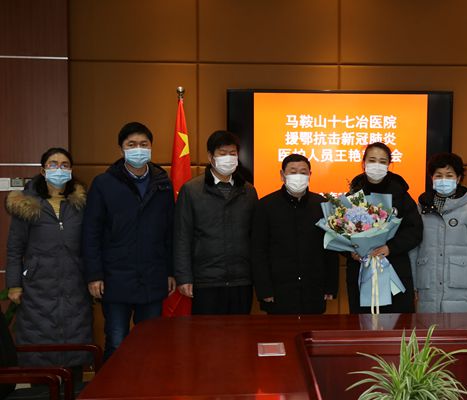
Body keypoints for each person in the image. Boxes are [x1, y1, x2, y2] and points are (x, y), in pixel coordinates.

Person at [82, 122, 175, 360]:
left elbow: (170, 232)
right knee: (116, 342)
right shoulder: (104, 183)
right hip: (115, 278)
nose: (138, 149)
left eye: (144, 144)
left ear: (151, 147)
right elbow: (91, 233)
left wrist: (170, 271)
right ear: (122, 148)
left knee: (151, 343)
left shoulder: (162, 183)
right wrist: (94, 275)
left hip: (153, 277)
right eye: (131, 144)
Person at [5, 148, 93, 369]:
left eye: (64, 165)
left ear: (71, 170)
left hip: (75, 285)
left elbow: (92, 244)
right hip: (37, 287)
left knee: (76, 343)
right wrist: (14, 285)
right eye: (53, 164)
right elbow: (14, 249)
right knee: (38, 342)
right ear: (43, 171)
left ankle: (73, 383)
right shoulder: (27, 204)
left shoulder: (82, 204)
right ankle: (42, 386)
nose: (59, 169)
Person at [174, 131, 257, 315]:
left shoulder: (249, 191)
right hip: (206, 280)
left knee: (241, 331)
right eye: (222, 153)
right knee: (206, 332)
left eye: (233, 153)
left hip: (241, 280)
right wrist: (183, 277)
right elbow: (182, 236)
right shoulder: (191, 190)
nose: (228, 158)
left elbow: (254, 237)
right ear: (210, 156)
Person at [251, 154, 338, 314]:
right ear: (282, 175)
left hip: (314, 289)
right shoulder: (265, 206)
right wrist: (264, 289)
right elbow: (258, 250)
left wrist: (330, 286)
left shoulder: (322, 205)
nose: (298, 176)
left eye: (303, 172)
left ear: (310, 175)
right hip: (278, 290)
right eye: (293, 172)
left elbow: (330, 248)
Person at [346, 142, 423, 313]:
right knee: (362, 323)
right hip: (361, 269)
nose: (377, 165)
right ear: (363, 163)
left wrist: (390, 247)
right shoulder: (353, 195)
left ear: (389, 164)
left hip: (394, 268)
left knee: (398, 324)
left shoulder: (401, 194)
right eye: (372, 160)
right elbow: (340, 231)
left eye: (382, 161)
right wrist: (351, 251)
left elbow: (415, 230)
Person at [410, 152, 467, 312]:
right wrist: (413, 285)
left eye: (449, 175)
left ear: (458, 179)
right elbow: (413, 250)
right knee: (429, 327)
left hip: (462, 286)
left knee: (462, 327)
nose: (443, 179)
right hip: (428, 286)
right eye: (438, 175)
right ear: (432, 178)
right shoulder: (421, 209)